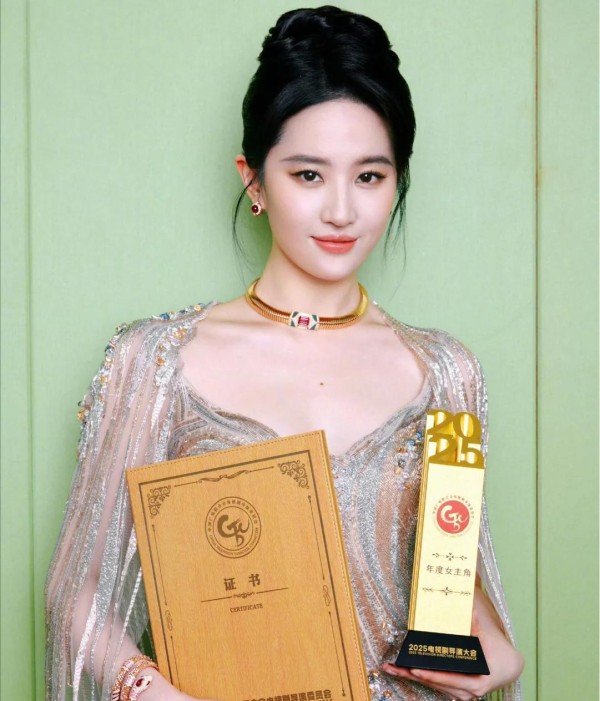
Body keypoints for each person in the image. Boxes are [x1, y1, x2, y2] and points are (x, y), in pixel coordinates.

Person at [45, 7, 524, 701]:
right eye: (308, 175)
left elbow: (450, 593)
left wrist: (497, 654)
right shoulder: (155, 362)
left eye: (370, 176)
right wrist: (157, 695)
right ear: (254, 180)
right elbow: (76, 594)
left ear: (398, 180)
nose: (341, 211)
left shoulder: (445, 371)